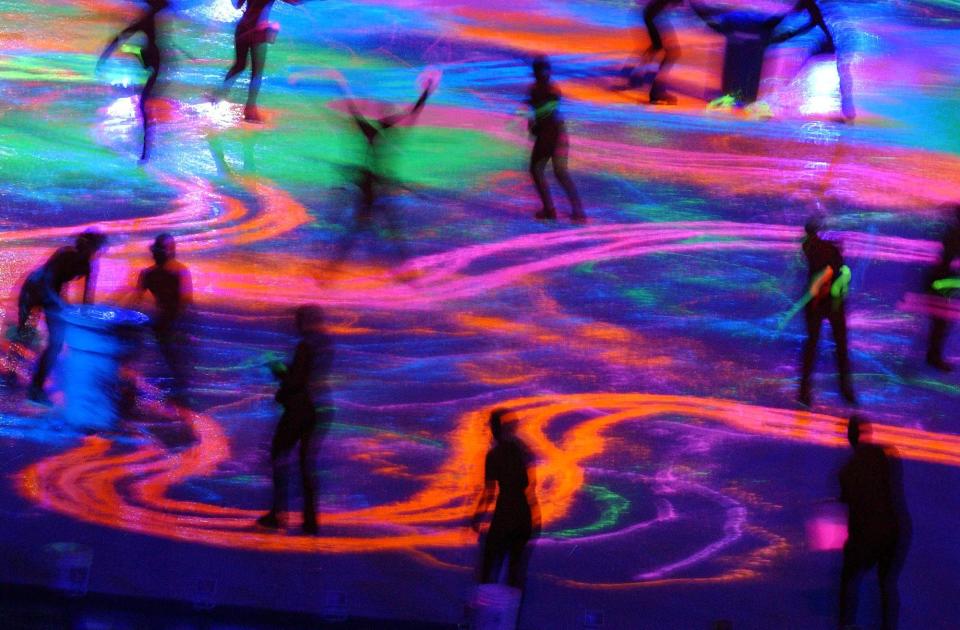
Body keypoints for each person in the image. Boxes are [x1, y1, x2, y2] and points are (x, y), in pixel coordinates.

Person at [325, 73, 435, 270]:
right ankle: (403, 266)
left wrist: (340, 85)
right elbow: (413, 113)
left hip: (369, 184)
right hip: (378, 185)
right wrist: (425, 92)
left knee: (366, 227)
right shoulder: (389, 132)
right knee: (387, 227)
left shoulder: (370, 132)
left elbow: (352, 109)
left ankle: (333, 267)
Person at [257, 305, 334, 535]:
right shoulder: (325, 343)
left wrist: (278, 370)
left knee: (280, 456)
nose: (295, 324)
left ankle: (279, 513)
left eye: (298, 320)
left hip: (299, 409)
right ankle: (310, 520)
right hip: (320, 407)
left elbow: (296, 380)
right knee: (306, 464)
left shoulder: (305, 345)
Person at [17, 230, 108, 405]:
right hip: (33, 289)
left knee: (56, 343)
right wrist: (62, 306)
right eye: (97, 249)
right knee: (25, 333)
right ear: (88, 247)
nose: (98, 253)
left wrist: (86, 319)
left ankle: (35, 389)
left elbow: (87, 301)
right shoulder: (64, 254)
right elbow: (46, 282)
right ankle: (12, 371)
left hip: (52, 295)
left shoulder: (89, 266)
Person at [838, 416, 909, 630]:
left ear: (850, 437)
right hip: (894, 529)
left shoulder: (847, 471)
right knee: (887, 584)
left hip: (868, 534)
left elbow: (855, 504)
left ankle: (846, 624)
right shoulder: (887, 455)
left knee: (849, 580)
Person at [471, 408, 540, 589]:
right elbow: (532, 484)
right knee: (515, 570)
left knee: (489, 564)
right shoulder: (522, 451)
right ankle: (509, 610)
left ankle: (485, 609)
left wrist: (477, 517)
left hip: (506, 512)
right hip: (525, 513)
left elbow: (489, 493)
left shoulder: (494, 455)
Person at [97, 0, 169, 161]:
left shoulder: (147, 21)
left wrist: (103, 58)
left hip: (156, 65)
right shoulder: (150, 19)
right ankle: (145, 149)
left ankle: (146, 151)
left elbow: (119, 38)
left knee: (144, 105)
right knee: (144, 105)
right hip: (154, 62)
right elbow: (120, 37)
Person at [798, 218, 855, 407]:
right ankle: (841, 388)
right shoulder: (818, 247)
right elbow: (834, 267)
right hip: (825, 300)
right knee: (831, 343)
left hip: (824, 300)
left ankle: (807, 389)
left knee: (822, 343)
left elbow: (834, 267)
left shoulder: (812, 246)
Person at [215, 0, 302, 123]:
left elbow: (237, 5)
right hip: (258, 31)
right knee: (256, 73)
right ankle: (250, 110)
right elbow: (295, 2)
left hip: (242, 28)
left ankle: (218, 96)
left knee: (239, 66)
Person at [131, 234, 192, 404]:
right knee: (171, 358)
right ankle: (179, 391)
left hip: (174, 324)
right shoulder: (150, 274)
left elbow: (185, 301)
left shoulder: (179, 271)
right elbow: (136, 300)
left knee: (174, 358)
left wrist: (178, 324)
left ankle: (181, 391)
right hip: (164, 324)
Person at [527, 56, 585, 223]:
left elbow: (539, 114)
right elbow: (542, 111)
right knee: (559, 172)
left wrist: (533, 125)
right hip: (558, 134)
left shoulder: (539, 90)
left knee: (537, 169)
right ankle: (577, 211)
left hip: (549, 135)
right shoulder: (551, 89)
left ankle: (550, 209)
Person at [782, 0, 856, 122]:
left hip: (839, 39)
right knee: (842, 73)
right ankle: (848, 111)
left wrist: (791, 34)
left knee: (841, 72)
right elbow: (815, 20)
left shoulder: (811, 4)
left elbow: (812, 22)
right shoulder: (815, 5)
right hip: (836, 38)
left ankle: (785, 100)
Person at [925, 205, 960, 371]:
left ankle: (933, 355)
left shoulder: (952, 231)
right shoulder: (955, 234)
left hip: (940, 278)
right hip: (941, 280)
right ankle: (933, 356)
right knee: (941, 322)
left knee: (941, 322)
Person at [627, 0, 683, 104]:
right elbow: (698, 9)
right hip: (656, 16)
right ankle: (657, 91)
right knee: (673, 53)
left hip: (653, 14)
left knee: (658, 46)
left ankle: (636, 76)